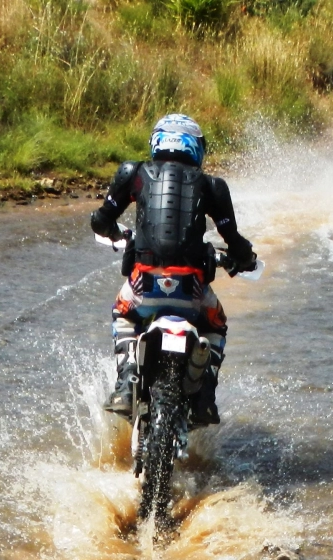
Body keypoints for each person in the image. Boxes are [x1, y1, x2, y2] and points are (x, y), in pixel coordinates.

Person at [90, 114, 259, 428]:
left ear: (158, 141)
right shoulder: (212, 186)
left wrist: (117, 234)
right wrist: (244, 259)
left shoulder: (134, 173)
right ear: (196, 147)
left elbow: (100, 220)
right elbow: (233, 240)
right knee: (217, 325)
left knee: (122, 315)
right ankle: (205, 393)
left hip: (144, 288)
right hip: (191, 293)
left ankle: (127, 384)